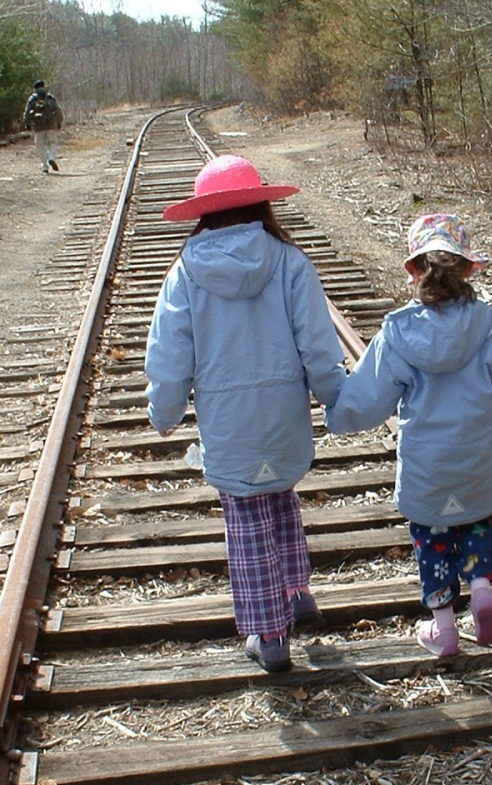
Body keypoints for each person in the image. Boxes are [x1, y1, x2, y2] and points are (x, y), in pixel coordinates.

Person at [144, 154, 347, 673]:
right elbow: (319, 346)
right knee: (279, 497)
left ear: (203, 214)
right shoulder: (290, 262)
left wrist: (165, 411)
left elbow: (170, 357)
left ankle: (271, 635)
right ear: (261, 204)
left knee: (247, 522)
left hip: (229, 420)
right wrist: (333, 394)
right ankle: (298, 594)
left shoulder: (185, 272)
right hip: (282, 415)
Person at [325, 213, 492, 658]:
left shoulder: (396, 333)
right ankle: (483, 587)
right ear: (470, 269)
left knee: (434, 540)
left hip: (428, 468)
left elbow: (367, 402)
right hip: (477, 462)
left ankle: (443, 629)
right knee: (478, 523)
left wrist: (335, 414)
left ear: (413, 271)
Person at [22, 80, 64, 174]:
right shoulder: (50, 97)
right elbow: (57, 110)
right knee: (53, 143)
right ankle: (51, 158)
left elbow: (27, 112)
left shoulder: (32, 99)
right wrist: (59, 121)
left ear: (35, 88)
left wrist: (27, 123)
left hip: (38, 126)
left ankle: (45, 166)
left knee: (40, 146)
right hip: (51, 125)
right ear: (43, 86)